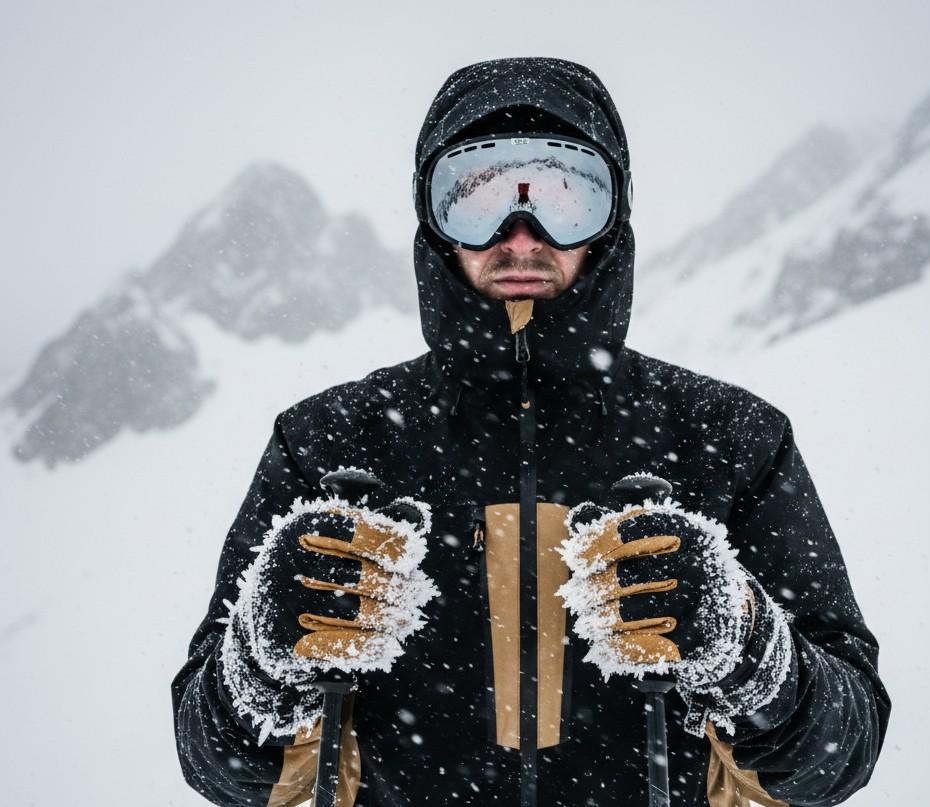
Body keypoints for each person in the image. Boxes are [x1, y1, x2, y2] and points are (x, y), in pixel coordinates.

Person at [173, 57, 890, 807]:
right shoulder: (328, 443)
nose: (520, 237)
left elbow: (843, 753)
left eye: (564, 196)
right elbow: (213, 761)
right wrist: (257, 659)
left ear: (610, 221)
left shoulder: (731, 438)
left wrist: (747, 649)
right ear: (434, 223)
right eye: (475, 198)